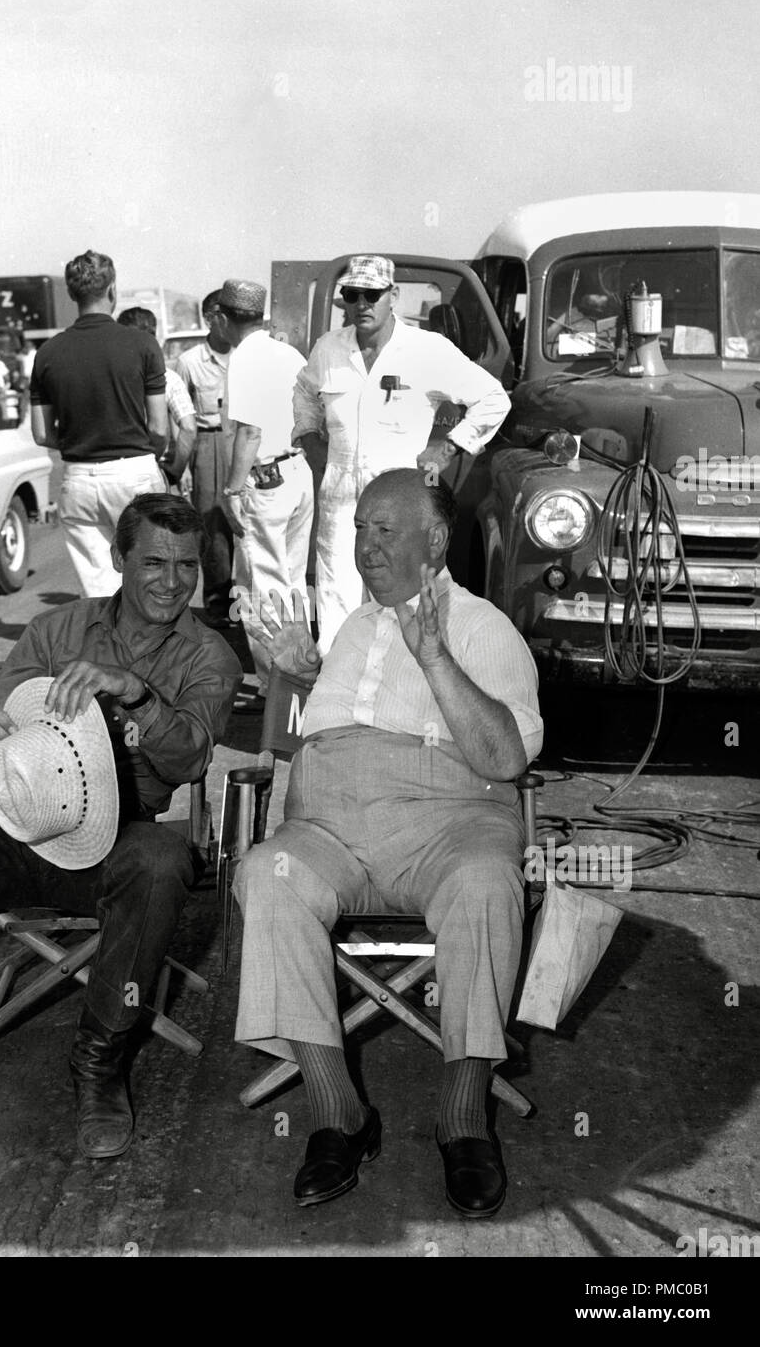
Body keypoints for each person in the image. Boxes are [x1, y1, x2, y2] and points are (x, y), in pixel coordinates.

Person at [0, 494, 242, 1163]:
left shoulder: (209, 656)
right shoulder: (57, 630)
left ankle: (99, 1063)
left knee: (161, 864)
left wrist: (134, 692)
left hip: (117, 836)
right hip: (9, 830)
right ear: (118, 560)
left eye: (187, 565)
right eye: (154, 562)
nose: (171, 581)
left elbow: (190, 756)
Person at [233, 469, 543, 1217]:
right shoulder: (351, 625)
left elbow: (505, 761)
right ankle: (338, 1111)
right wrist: (297, 677)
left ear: (434, 541)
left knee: (484, 885)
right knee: (267, 876)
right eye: (359, 528)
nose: (364, 546)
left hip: (443, 825)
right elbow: (300, 737)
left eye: (384, 530)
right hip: (328, 825)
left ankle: (463, 1118)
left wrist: (434, 657)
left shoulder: (480, 627)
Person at [293, 255, 511, 653]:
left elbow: (493, 399)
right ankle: (334, 695)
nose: (362, 304)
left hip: (400, 503)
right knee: (336, 600)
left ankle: (396, 701)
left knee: (397, 603)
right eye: (352, 294)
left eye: (372, 294)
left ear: (393, 295)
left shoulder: (426, 349)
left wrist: (448, 448)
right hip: (341, 499)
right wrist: (308, 438)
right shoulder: (329, 349)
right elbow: (305, 390)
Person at [30, 250, 170, 597]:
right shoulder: (142, 344)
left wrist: (82, 440)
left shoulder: (47, 353)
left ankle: (110, 649)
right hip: (134, 471)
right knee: (150, 581)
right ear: (112, 290)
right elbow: (159, 428)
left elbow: (41, 433)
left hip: (78, 479)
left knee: (99, 590)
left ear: (72, 295)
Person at [217, 278, 314, 708]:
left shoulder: (245, 358)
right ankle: (301, 678)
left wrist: (232, 490)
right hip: (297, 472)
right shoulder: (287, 352)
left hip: (266, 481)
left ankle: (280, 691)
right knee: (292, 586)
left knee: (260, 593)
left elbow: (250, 431)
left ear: (222, 317)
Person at [174, 290, 235, 624]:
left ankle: (255, 600)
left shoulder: (247, 354)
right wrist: (183, 467)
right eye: (221, 314)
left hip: (246, 440)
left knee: (253, 521)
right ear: (209, 317)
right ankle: (218, 601)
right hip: (208, 445)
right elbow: (178, 416)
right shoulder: (189, 361)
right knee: (214, 526)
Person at [116, 305, 197, 493]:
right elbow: (188, 427)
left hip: (116, 470)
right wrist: (177, 469)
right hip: (157, 471)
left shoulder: (111, 379)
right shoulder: (169, 378)